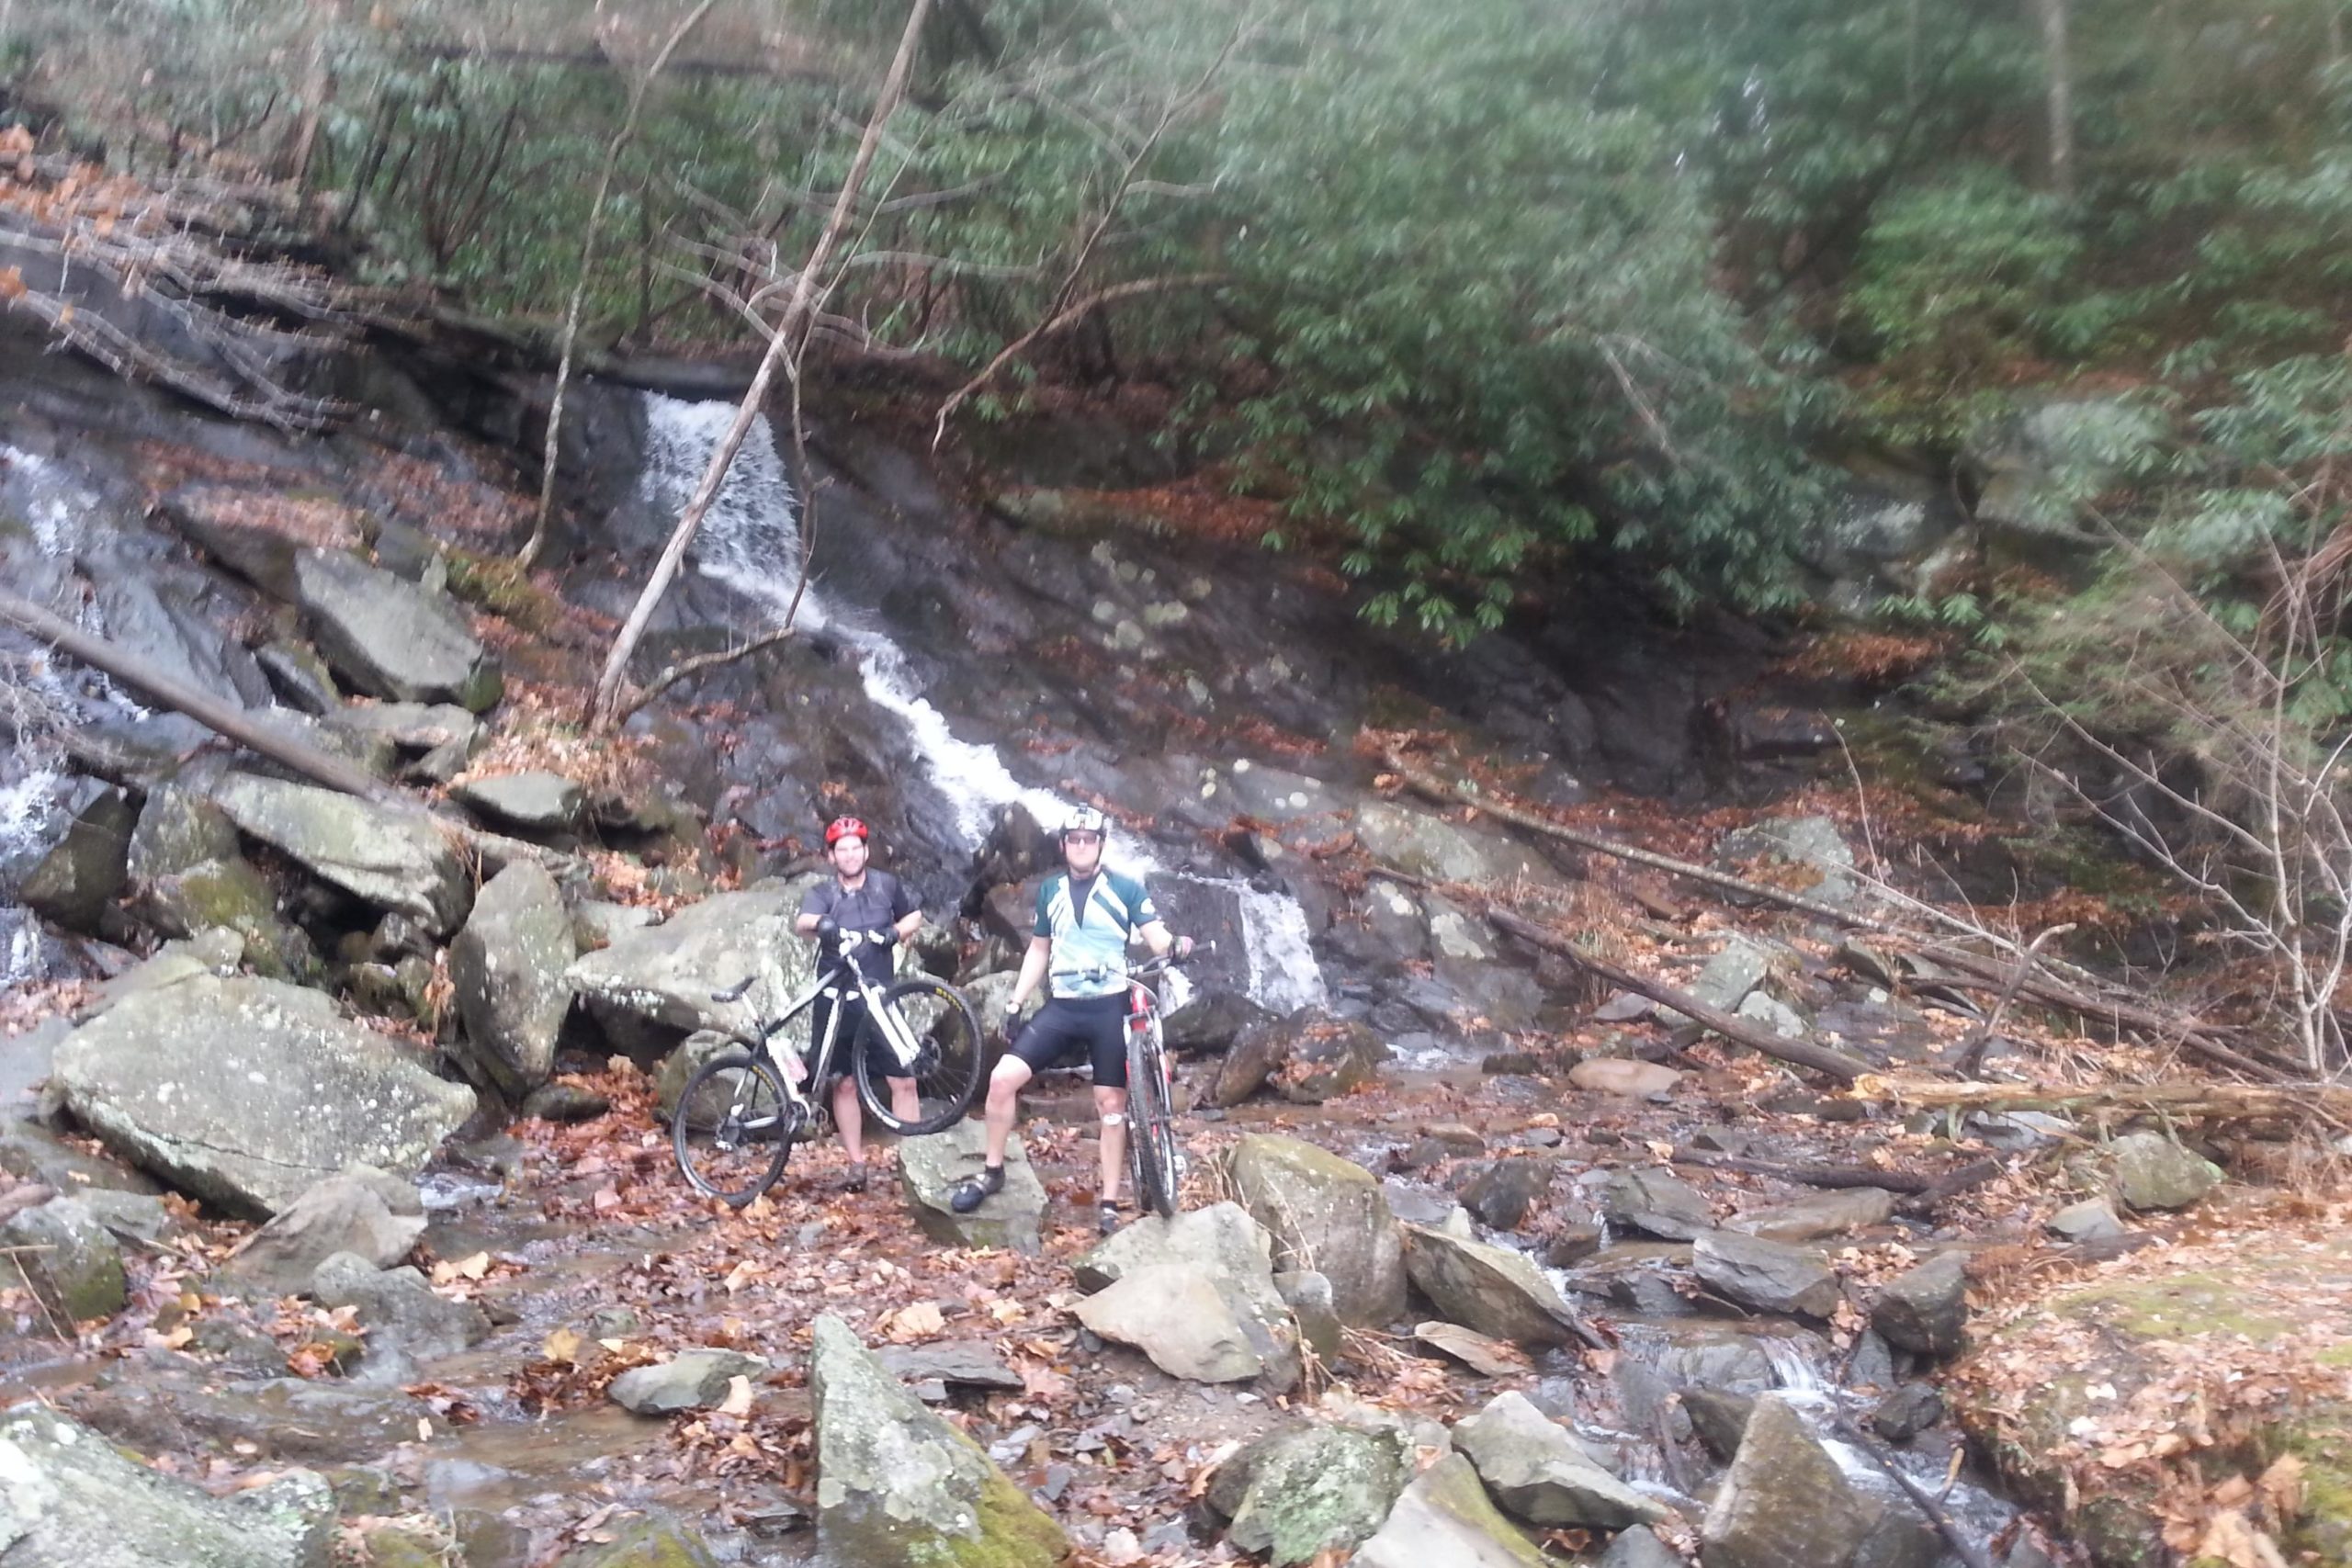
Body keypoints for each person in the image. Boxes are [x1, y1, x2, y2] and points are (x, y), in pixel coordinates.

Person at [951, 804, 1190, 1234]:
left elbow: (1155, 936)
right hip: (1062, 1005)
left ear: (1100, 845)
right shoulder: (1051, 890)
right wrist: (1015, 1002)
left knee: (1111, 1104)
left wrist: (1175, 944)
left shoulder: (1126, 888)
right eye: (1074, 840)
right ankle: (992, 1171)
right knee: (1002, 1079)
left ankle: (1110, 1201)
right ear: (1064, 845)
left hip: (1109, 1005)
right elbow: (1039, 949)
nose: (1081, 846)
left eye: (1089, 840)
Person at [794, 816, 924, 1191]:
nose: (850, 855)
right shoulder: (824, 893)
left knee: (904, 1080)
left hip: (881, 997)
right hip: (836, 999)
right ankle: (856, 1164)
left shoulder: (887, 886)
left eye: (855, 848)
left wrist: (894, 933)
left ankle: (912, 1162)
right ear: (832, 857)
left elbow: (914, 914)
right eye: (841, 850)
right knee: (844, 1083)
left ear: (866, 851)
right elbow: (803, 921)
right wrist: (822, 925)